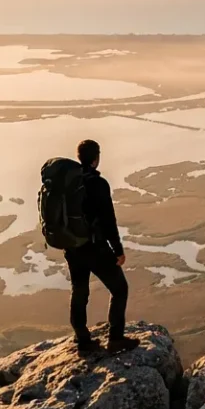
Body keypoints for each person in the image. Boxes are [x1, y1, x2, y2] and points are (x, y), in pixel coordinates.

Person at [67, 139, 135, 352]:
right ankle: (115, 339)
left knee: (79, 290)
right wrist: (118, 250)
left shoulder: (68, 183)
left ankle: (82, 339)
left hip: (72, 247)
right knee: (120, 289)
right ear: (96, 158)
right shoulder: (98, 183)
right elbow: (108, 220)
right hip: (95, 247)